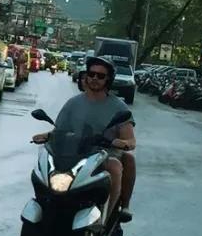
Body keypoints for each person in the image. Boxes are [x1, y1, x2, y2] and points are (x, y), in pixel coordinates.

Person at [33, 56, 136, 222]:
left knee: (116, 166)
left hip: (103, 156)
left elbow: (130, 141)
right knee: (46, 163)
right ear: (86, 76)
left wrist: (119, 143)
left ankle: (106, 220)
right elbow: (59, 130)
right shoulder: (73, 103)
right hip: (75, 154)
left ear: (108, 79)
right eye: (92, 74)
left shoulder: (119, 107)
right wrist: (46, 136)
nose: (95, 78)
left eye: (100, 76)